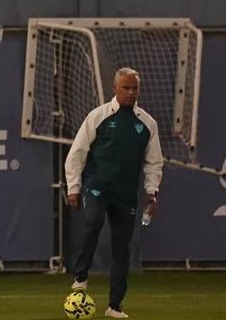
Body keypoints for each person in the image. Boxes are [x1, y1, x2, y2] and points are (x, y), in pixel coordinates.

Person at [64, 67, 163, 318]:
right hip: (96, 185)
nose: (130, 92)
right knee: (94, 221)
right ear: (114, 89)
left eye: (134, 88)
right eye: (126, 88)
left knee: (122, 247)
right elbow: (76, 153)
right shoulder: (98, 117)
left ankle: (114, 306)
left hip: (126, 193)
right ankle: (80, 278)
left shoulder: (147, 123)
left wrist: (151, 193)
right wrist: (74, 187)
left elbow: (154, 162)